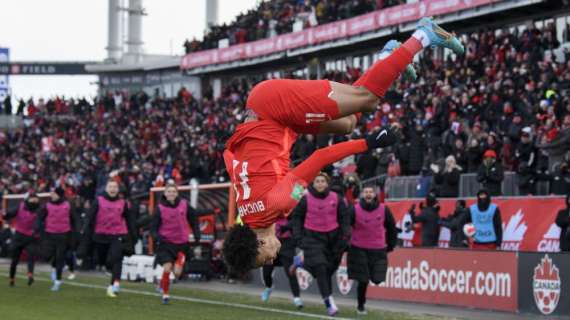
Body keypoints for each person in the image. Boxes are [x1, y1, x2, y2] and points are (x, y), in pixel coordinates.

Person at [222, 17, 465, 277]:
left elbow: (320, 157)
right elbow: (229, 156)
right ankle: (389, 57)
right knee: (346, 123)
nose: (270, 261)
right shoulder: (247, 217)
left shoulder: (277, 205)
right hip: (273, 118)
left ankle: (424, 34)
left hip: (274, 106)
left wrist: (368, 143)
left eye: (262, 260)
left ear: (259, 242)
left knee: (368, 99)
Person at [289, 173, 351, 316]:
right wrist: (298, 237)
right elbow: (297, 218)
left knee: (328, 270)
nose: (320, 184)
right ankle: (329, 303)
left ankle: (301, 262)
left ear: (327, 183)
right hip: (312, 238)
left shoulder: (336, 198)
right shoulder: (305, 199)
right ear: (313, 184)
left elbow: (344, 217)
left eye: (323, 181)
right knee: (321, 268)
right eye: (317, 181)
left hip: (333, 238)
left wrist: (345, 234)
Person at [80, 180, 136, 298]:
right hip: (101, 235)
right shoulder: (98, 201)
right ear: (106, 189)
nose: (113, 189)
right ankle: (107, 267)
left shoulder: (123, 203)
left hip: (118, 234)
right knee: (105, 261)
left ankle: (114, 285)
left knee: (117, 258)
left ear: (118, 189)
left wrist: (133, 234)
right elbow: (90, 217)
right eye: (110, 186)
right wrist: (85, 229)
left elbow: (129, 219)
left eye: (115, 187)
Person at [347, 185, 397, 315]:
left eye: (371, 192)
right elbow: (346, 226)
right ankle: (361, 305)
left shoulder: (384, 209)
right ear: (362, 195)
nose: (368, 194)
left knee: (377, 279)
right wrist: (345, 243)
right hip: (359, 248)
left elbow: (391, 227)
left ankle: (361, 303)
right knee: (363, 280)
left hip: (378, 249)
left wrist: (391, 244)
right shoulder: (354, 209)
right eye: (366, 192)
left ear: (375, 195)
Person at [150, 183, 203, 305]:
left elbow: (194, 218)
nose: (171, 194)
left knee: (178, 272)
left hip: (182, 244)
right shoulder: (159, 209)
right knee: (167, 267)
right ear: (165, 194)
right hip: (166, 244)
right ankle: (165, 294)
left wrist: (196, 234)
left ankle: (161, 283)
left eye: (173, 191)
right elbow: (153, 228)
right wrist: (156, 237)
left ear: (177, 193)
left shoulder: (184, 204)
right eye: (169, 192)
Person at [37, 187, 76, 291]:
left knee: (60, 258)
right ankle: (54, 267)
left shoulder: (68, 205)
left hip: (63, 235)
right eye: (51, 193)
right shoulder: (47, 205)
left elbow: (75, 219)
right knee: (47, 255)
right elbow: (40, 217)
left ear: (59, 195)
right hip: (49, 235)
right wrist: (37, 227)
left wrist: (77, 231)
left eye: (53, 194)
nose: (51, 195)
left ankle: (57, 282)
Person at [260, 216, 303, 309]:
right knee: (266, 273)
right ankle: (269, 287)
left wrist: (288, 227)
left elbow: (296, 221)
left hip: (286, 244)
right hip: (271, 244)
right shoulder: (270, 210)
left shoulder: (289, 209)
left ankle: (297, 298)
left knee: (290, 272)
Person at [2, 192, 41, 287]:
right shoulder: (21, 206)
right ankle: (12, 280)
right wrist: (5, 215)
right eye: (33, 198)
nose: (35, 200)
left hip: (29, 237)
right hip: (19, 236)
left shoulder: (38, 210)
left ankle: (30, 275)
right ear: (28, 199)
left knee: (31, 255)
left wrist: (35, 229)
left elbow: (38, 222)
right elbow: (10, 214)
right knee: (15, 260)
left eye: (36, 199)